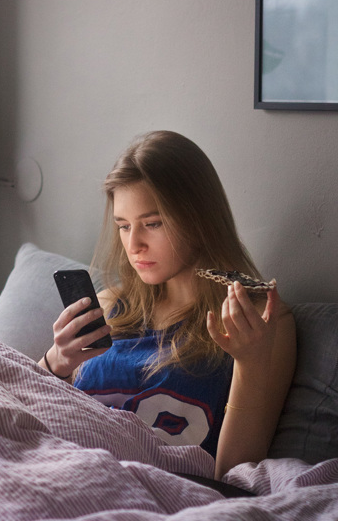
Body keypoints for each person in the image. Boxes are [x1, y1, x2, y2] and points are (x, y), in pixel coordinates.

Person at [38, 130, 296, 479]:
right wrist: (56, 364)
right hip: (56, 470)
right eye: (124, 226)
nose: (134, 245)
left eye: (153, 224)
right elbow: (24, 414)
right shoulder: (109, 305)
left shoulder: (261, 324)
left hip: (150, 494)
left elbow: (237, 476)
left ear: (199, 218)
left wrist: (250, 365)